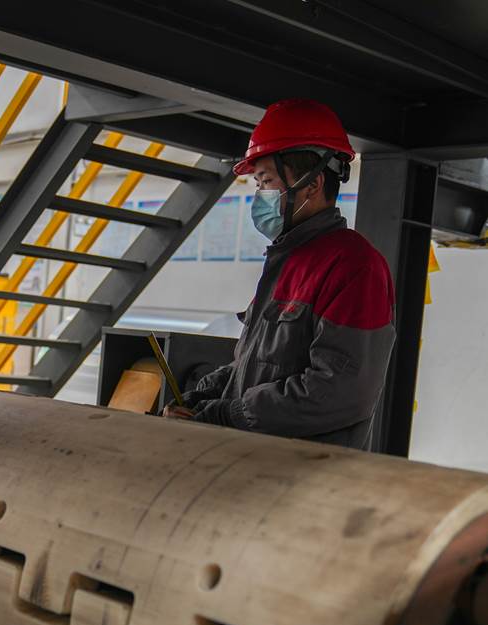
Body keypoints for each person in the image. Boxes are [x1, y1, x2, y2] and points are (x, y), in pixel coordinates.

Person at [164, 99, 395, 450]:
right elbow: (257, 364)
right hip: (255, 465)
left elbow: (341, 392)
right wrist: (205, 396)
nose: (260, 196)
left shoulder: (354, 266)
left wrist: (230, 415)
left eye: (266, 181)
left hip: (308, 480)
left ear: (312, 185)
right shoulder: (286, 261)